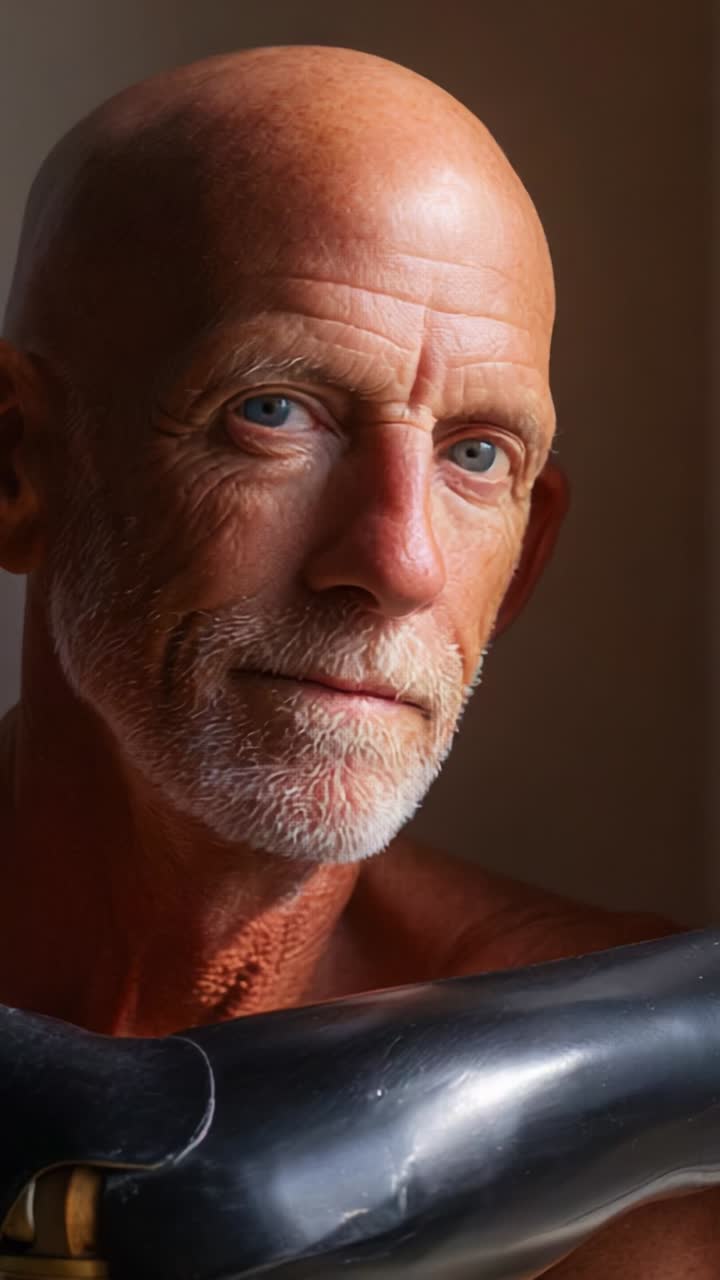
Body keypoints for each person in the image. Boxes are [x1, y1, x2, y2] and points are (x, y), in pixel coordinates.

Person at [0, 45, 714, 1276]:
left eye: (477, 454)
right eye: (273, 410)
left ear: (524, 563)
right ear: (18, 466)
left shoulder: (644, 1169)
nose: (400, 559)